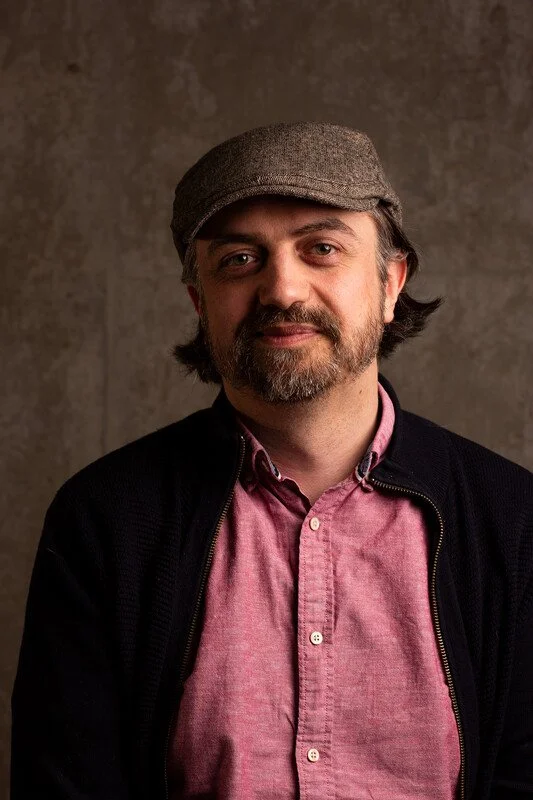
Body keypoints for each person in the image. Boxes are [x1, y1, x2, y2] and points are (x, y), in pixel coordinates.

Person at [11, 122, 533, 800]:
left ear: (390, 282)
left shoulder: (513, 520)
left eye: (322, 249)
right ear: (200, 302)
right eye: (239, 259)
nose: (282, 289)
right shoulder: (105, 520)